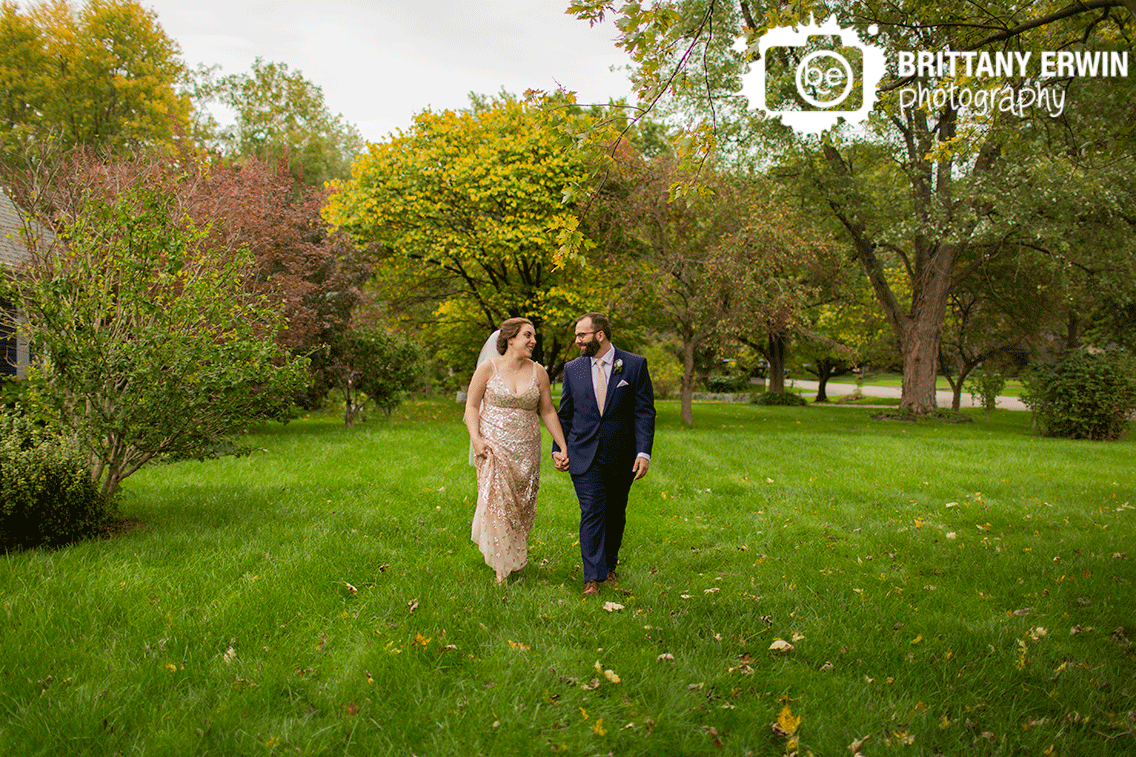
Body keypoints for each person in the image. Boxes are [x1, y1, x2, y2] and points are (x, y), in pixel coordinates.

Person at [552, 313, 655, 596]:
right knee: (592, 511)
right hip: (583, 453)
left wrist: (643, 452)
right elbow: (565, 413)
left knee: (615, 513)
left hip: (622, 456)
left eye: (581, 335)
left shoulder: (634, 365)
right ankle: (593, 578)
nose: (577, 341)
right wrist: (558, 449)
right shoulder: (573, 369)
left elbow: (644, 412)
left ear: (599, 335)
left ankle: (610, 564)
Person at [464, 318, 569, 584]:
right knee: (498, 505)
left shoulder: (539, 372)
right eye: (527, 335)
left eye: (533, 336)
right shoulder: (487, 369)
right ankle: (502, 567)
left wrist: (562, 446)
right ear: (510, 339)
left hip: (527, 449)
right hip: (493, 448)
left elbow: (547, 411)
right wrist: (476, 440)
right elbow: (472, 407)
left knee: (521, 507)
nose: (533, 341)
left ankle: (514, 556)